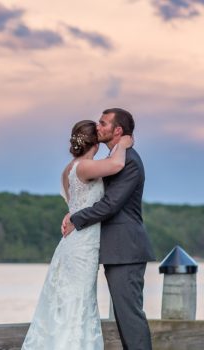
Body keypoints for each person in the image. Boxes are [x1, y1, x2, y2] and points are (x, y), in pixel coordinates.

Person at [22, 117, 133, 350]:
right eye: (99, 130)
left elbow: (76, 205)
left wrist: (71, 215)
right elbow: (116, 165)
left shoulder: (68, 169)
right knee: (77, 302)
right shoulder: (84, 166)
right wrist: (123, 144)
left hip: (72, 242)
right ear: (95, 141)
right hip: (82, 244)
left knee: (66, 302)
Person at [61, 108, 156, 350]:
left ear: (118, 130)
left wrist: (76, 218)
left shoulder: (130, 162)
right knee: (124, 320)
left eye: (103, 123)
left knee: (130, 318)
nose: (98, 127)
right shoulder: (114, 159)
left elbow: (111, 204)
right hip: (114, 250)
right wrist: (74, 211)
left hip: (127, 250)